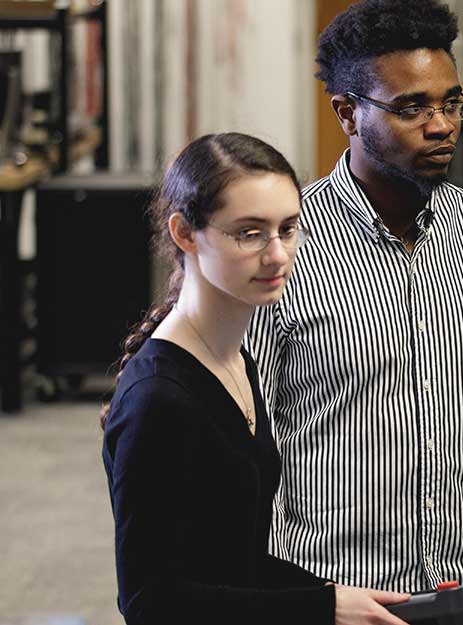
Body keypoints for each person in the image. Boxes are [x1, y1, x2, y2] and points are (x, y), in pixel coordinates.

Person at [245, 2, 463, 623]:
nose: (441, 125)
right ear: (348, 113)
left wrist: (447, 442)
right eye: (412, 107)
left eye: (451, 103)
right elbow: (248, 425)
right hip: (335, 590)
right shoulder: (287, 250)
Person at [102, 132, 411, 624]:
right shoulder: (159, 401)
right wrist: (321, 607)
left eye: (288, 229)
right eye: (249, 233)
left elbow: (227, 559)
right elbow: (150, 603)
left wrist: (335, 596)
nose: (277, 254)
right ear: (184, 233)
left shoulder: (235, 362)